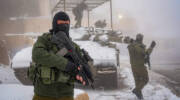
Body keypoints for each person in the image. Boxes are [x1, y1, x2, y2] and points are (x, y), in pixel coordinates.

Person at [28, 11, 93, 100]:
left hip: (66, 95)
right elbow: (38, 55)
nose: (65, 26)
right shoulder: (45, 40)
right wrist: (66, 64)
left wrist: (78, 76)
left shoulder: (74, 47)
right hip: (43, 93)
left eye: (67, 23)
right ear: (55, 24)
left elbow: (78, 70)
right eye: (61, 23)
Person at [127, 34, 156, 99]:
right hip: (140, 66)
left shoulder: (131, 45)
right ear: (141, 39)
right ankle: (136, 91)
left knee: (138, 81)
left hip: (133, 66)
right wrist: (151, 47)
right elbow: (146, 53)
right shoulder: (138, 46)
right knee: (145, 79)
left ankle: (140, 97)